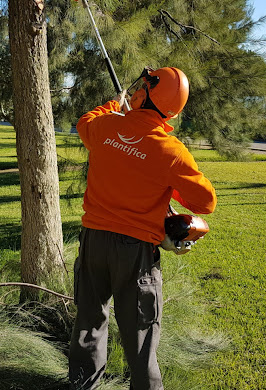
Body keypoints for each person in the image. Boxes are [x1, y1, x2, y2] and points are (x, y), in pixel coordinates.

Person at [69, 67, 217, 389]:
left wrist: (112, 104)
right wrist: (169, 184)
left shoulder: (106, 126)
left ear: (144, 93)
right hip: (134, 253)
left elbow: (84, 123)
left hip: (93, 241)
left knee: (89, 324)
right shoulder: (171, 151)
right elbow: (205, 202)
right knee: (140, 337)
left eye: (141, 86)